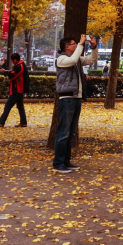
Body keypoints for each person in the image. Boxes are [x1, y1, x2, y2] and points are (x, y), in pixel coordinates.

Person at [53, 34, 98, 173]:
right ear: (67, 46)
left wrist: (94, 46)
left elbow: (92, 59)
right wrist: (81, 43)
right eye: (73, 43)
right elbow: (72, 60)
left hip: (76, 98)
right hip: (66, 99)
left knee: (71, 133)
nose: (76, 45)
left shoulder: (76, 58)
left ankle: (66, 161)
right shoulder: (60, 59)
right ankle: (58, 163)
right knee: (64, 132)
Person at [0, 53, 27, 128]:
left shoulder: (19, 66)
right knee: (20, 106)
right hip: (20, 89)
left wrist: (4, 72)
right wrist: (6, 71)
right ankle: (23, 122)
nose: (12, 62)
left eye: (12, 60)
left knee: (8, 105)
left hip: (17, 89)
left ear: (15, 60)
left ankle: (1, 122)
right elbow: (13, 73)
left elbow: (12, 75)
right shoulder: (21, 65)